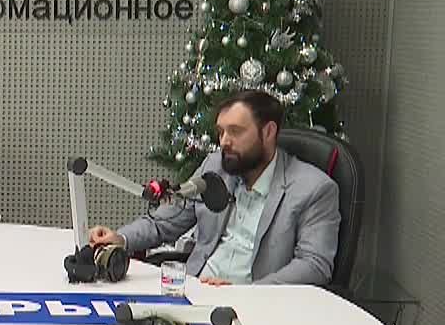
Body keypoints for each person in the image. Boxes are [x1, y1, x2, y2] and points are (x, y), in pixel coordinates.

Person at [90, 89, 340, 286]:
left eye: (236, 132)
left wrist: (247, 293)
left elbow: (314, 265)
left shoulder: (313, 188)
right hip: (195, 288)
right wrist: (121, 238)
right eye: (221, 132)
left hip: (255, 304)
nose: (224, 142)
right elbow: (168, 220)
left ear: (268, 132)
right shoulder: (216, 166)